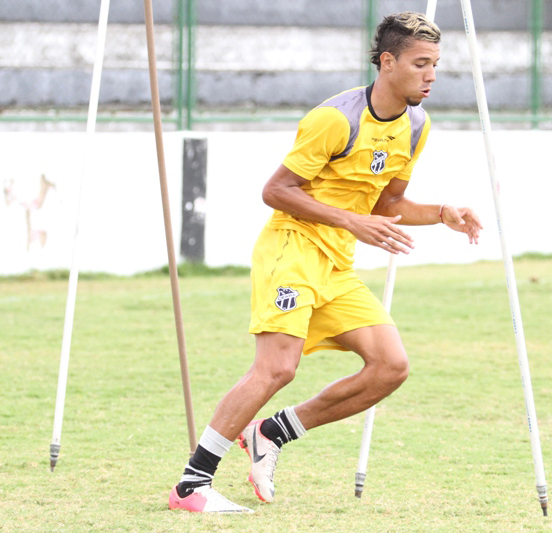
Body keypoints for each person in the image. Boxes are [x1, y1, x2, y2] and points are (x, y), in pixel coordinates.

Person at [168, 11, 482, 513]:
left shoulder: (417, 125)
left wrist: (443, 213)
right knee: (276, 369)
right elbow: (275, 191)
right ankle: (191, 486)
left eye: (435, 64)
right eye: (421, 63)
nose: (431, 75)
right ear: (387, 62)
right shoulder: (335, 119)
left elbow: (387, 206)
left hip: (336, 262)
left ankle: (273, 432)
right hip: (292, 248)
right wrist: (351, 222)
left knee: (390, 366)